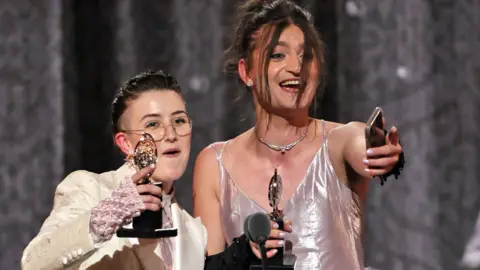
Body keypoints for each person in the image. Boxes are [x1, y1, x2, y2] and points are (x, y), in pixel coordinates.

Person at [193, 1, 404, 269]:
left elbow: (361, 145)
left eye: (306, 56)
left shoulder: (339, 142)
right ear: (247, 72)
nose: (296, 67)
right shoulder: (214, 164)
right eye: (278, 55)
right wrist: (243, 252)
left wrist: (384, 154)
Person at [21, 70, 207, 270]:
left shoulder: (195, 233)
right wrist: (109, 214)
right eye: (153, 124)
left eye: (179, 121)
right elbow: (33, 263)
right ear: (125, 143)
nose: (171, 134)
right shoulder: (91, 189)